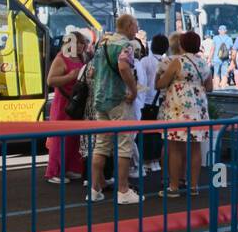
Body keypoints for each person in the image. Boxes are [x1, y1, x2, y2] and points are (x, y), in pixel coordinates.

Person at [84, 13, 141, 204]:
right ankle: (123, 191)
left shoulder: (103, 43)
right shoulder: (125, 45)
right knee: (124, 145)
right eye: (136, 26)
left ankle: (94, 189)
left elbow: (91, 72)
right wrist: (133, 90)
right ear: (129, 26)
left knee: (101, 145)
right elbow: (124, 68)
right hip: (119, 99)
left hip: (101, 100)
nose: (137, 30)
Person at [157, 30, 214, 198]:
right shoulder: (203, 63)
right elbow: (210, 87)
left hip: (177, 107)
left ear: (181, 44)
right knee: (195, 148)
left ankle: (174, 187)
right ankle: (194, 186)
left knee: (175, 147)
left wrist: (160, 78)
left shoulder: (177, 62)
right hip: (199, 109)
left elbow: (162, 83)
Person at [45, 29, 88, 184]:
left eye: (83, 43)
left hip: (76, 102)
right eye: (79, 43)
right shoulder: (61, 58)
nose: (82, 46)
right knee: (59, 138)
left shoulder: (81, 58)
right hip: (64, 103)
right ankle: (54, 171)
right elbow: (51, 81)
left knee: (74, 137)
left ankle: (70, 167)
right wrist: (70, 76)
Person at [136, 33, 168, 174]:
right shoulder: (167, 62)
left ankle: (147, 161)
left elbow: (140, 82)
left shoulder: (145, 61)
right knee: (157, 133)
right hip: (160, 102)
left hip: (147, 102)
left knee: (145, 134)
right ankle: (155, 161)